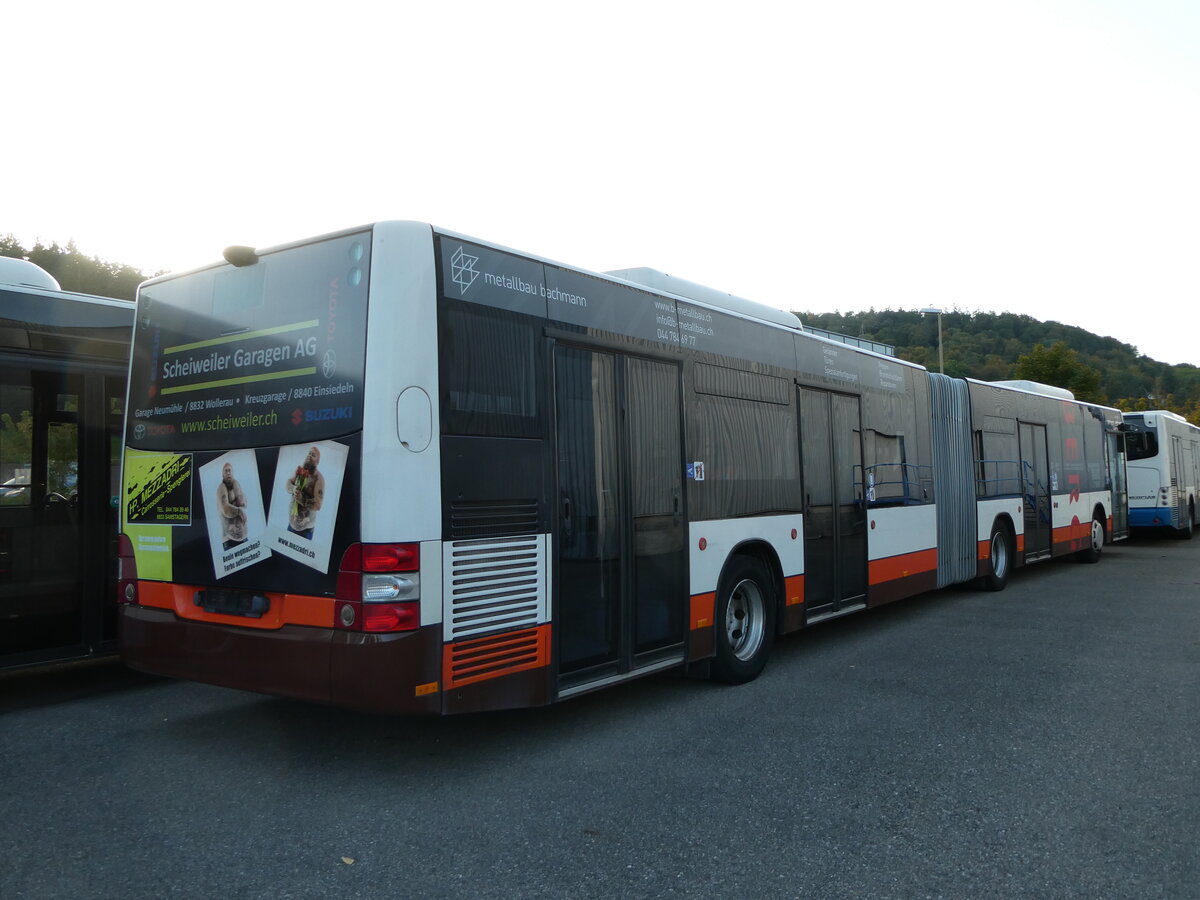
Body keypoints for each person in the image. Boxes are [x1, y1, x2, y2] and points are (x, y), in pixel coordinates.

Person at [285, 446, 325, 540]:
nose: (309, 456)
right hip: (291, 525)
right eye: (309, 453)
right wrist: (293, 488)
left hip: (305, 532)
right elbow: (288, 482)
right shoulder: (299, 470)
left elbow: (318, 505)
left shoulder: (319, 479)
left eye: (313, 455)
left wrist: (302, 499)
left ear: (317, 461)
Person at [216, 462, 247, 550]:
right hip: (229, 542)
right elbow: (225, 509)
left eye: (230, 471)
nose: (228, 473)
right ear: (222, 474)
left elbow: (243, 504)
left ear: (233, 472)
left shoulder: (236, 485)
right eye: (226, 471)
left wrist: (237, 487)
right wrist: (239, 511)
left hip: (244, 539)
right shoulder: (221, 488)